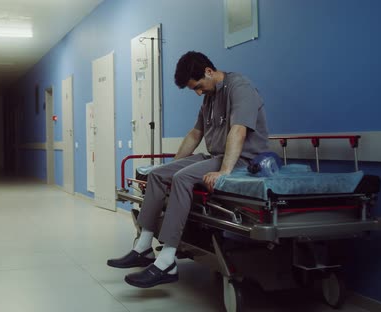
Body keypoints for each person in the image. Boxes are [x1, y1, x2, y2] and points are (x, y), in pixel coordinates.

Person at [107, 51, 269, 288]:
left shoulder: (240, 87)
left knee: (182, 179)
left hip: (243, 160)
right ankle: (143, 247)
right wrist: (170, 165)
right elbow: (196, 134)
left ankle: (167, 261)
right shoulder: (210, 97)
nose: (199, 92)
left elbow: (239, 131)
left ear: (209, 71)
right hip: (217, 155)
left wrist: (224, 172)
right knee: (158, 174)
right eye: (194, 89)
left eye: (199, 86)